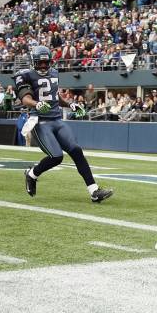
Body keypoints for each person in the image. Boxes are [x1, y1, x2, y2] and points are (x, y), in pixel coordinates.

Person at [14, 46, 113, 203]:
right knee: (56, 156)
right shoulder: (25, 75)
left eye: (47, 63)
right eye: (40, 63)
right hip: (40, 121)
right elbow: (25, 98)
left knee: (76, 151)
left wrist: (70, 104)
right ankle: (32, 174)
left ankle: (94, 191)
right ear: (34, 62)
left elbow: (54, 95)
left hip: (57, 120)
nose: (44, 67)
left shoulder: (54, 73)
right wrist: (36, 104)